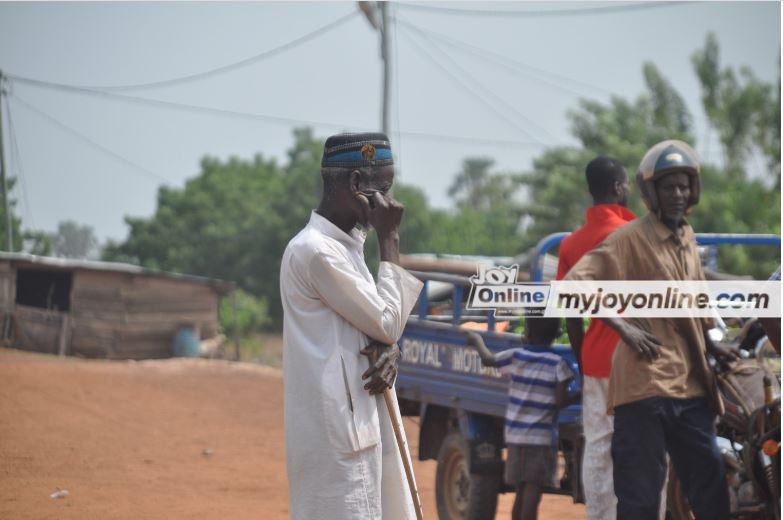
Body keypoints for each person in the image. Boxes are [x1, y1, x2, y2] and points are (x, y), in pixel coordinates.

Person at [565, 140, 737, 519]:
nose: (677, 194)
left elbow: (696, 293)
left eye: (683, 186)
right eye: (667, 186)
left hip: (689, 384)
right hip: (643, 387)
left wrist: (712, 341)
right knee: (640, 498)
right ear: (649, 191)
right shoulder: (630, 237)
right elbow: (576, 283)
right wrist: (622, 327)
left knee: (711, 490)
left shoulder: (687, 238)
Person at [280, 133, 423, 520]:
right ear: (357, 185)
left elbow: (375, 327)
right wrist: (391, 238)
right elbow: (387, 323)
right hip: (337, 436)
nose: (392, 204)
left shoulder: (346, 248)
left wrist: (391, 349)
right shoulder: (317, 252)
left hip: (359, 423)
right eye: (386, 189)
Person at [556, 156, 634, 519]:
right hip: (638, 360)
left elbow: (569, 311)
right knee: (642, 446)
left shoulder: (572, 242)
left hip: (597, 359)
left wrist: (582, 358)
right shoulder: (636, 233)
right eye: (628, 184)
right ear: (618, 188)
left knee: (599, 446)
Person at [465, 318, 578, 520]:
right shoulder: (559, 364)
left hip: (516, 438)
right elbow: (560, 401)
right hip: (541, 441)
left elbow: (488, 359)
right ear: (555, 336)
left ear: (527, 334)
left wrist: (476, 340)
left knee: (520, 491)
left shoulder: (516, 356)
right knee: (532, 494)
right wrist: (582, 394)